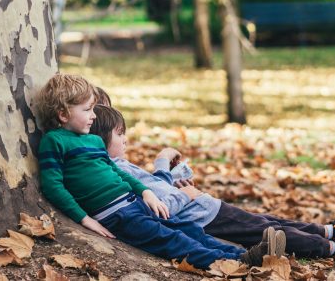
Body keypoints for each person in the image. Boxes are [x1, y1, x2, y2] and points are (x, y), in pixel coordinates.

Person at [90, 102, 335, 261]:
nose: (126, 140)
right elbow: (161, 203)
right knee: (273, 232)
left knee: (272, 221)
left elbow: (159, 193)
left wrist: (176, 181)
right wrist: (167, 172)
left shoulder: (114, 164)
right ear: (100, 139)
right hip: (202, 216)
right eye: (120, 135)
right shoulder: (112, 168)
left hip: (205, 208)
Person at [34, 73, 286, 270]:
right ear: (63, 113)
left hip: (135, 203)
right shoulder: (55, 142)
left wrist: (146, 193)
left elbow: (118, 173)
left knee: (189, 230)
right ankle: (235, 264)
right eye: (87, 110)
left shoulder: (93, 141)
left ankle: (245, 255)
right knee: (172, 241)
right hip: (117, 215)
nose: (93, 116)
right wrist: (84, 219)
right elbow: (53, 186)